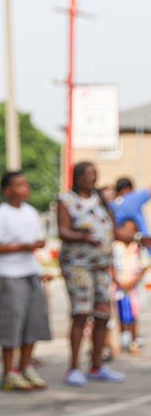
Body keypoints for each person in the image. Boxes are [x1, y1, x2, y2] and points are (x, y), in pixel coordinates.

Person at [58, 161, 130, 386]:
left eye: (95, 174)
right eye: (90, 175)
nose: (94, 178)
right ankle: (73, 367)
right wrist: (83, 237)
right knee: (81, 313)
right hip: (79, 265)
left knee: (102, 314)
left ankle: (97, 365)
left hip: (102, 266)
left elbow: (114, 230)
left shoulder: (101, 201)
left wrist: (137, 237)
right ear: (78, 178)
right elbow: (63, 231)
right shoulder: (67, 201)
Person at [0, 171, 50, 391]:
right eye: (19, 185)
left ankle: (26, 366)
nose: (25, 188)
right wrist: (21, 247)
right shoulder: (1, 214)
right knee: (12, 322)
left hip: (30, 271)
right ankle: (8, 372)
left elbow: (36, 239)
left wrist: (37, 246)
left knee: (34, 320)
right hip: (7, 274)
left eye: (26, 184)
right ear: (7, 190)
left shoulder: (30, 212)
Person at [113, 218, 146, 354]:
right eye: (124, 229)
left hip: (133, 286)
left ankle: (134, 340)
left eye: (131, 230)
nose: (127, 232)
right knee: (117, 312)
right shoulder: (115, 246)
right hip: (117, 285)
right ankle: (119, 339)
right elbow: (110, 265)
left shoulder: (138, 248)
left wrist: (132, 282)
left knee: (133, 312)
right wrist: (118, 281)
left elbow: (144, 266)